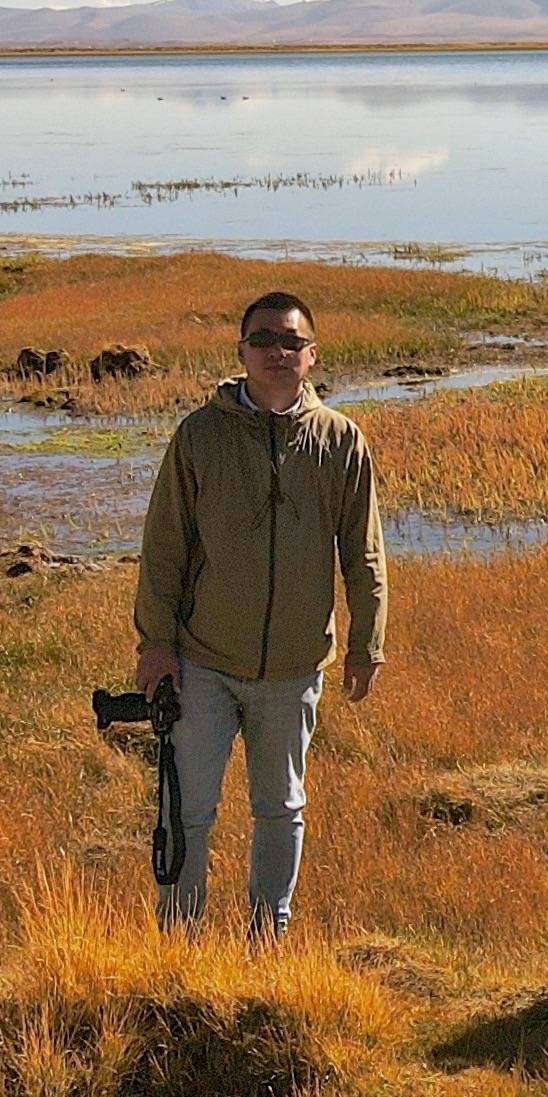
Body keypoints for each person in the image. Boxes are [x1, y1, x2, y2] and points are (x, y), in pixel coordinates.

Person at [129, 290, 387, 936]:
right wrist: (155, 645)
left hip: (294, 670)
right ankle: (179, 942)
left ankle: (266, 939)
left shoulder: (341, 443)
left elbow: (365, 554)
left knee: (281, 809)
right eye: (265, 341)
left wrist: (366, 644)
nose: (279, 352)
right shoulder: (199, 437)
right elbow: (163, 550)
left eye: (292, 343)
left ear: (312, 355)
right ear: (241, 353)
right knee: (186, 810)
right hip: (203, 663)